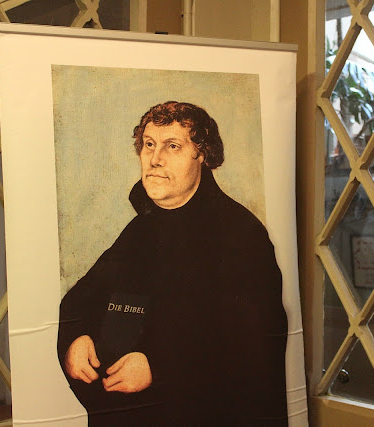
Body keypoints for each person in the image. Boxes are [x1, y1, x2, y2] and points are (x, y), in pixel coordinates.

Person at [57, 101, 288, 425]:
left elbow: (253, 344)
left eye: (173, 146)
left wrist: (159, 369)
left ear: (202, 154)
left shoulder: (241, 234)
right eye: (149, 144)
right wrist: (76, 338)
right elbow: (82, 299)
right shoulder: (140, 230)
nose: (155, 159)